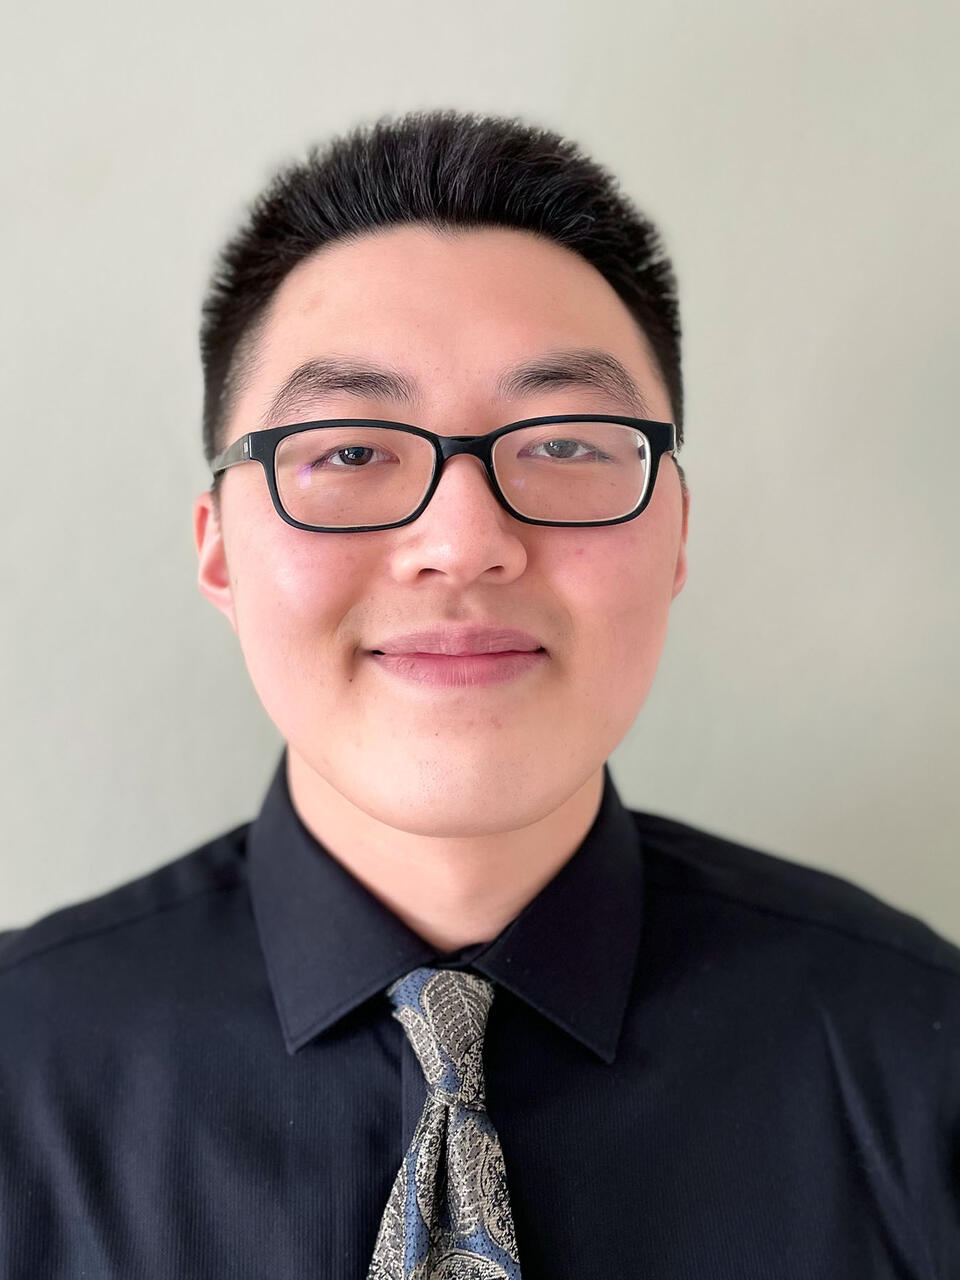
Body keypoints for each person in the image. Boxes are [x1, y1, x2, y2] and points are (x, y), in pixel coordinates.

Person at [0, 108, 957, 1280]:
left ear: (677, 535)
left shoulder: (923, 1060)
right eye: (350, 450)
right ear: (219, 553)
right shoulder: (18, 1067)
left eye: (564, 443)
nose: (463, 542)